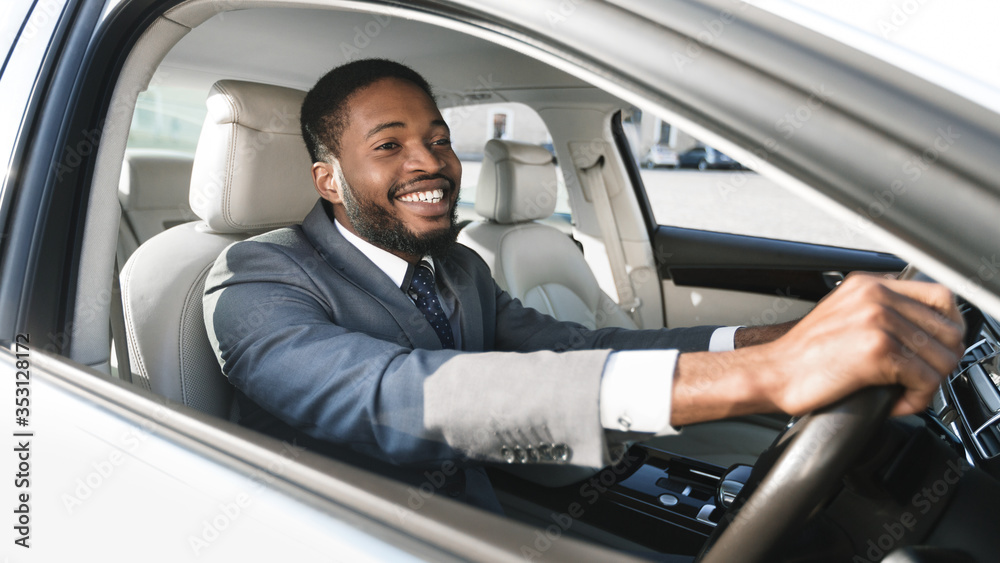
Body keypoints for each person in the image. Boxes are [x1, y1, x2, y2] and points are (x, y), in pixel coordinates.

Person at [202, 59, 964, 513]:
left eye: (438, 138)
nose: (430, 162)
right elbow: (405, 392)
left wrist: (766, 341)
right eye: (390, 145)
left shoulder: (459, 267)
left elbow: (583, 346)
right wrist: (768, 376)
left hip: (488, 513)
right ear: (327, 180)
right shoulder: (254, 282)